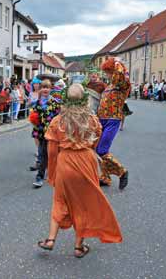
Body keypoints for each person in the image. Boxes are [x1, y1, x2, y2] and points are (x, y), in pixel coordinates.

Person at [37, 83, 122, 258]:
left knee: (59, 200)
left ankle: (51, 239)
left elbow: (51, 151)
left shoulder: (57, 121)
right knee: (84, 203)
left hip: (65, 161)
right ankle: (78, 247)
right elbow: (96, 141)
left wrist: (52, 172)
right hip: (86, 160)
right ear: (85, 99)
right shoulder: (92, 120)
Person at [96, 58, 130, 189]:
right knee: (99, 150)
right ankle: (104, 177)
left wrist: (117, 62)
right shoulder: (109, 86)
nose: (107, 75)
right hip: (101, 120)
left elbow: (120, 75)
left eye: (108, 71)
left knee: (102, 150)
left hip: (113, 120)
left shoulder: (122, 84)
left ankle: (122, 172)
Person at [28, 80, 61, 186]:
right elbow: (33, 117)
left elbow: (59, 117)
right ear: (40, 89)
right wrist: (33, 120)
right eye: (43, 87)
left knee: (52, 153)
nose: (45, 89)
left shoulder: (55, 103)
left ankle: (55, 173)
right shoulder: (36, 103)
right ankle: (39, 177)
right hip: (41, 132)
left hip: (52, 133)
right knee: (42, 154)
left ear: (50, 89)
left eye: (47, 87)